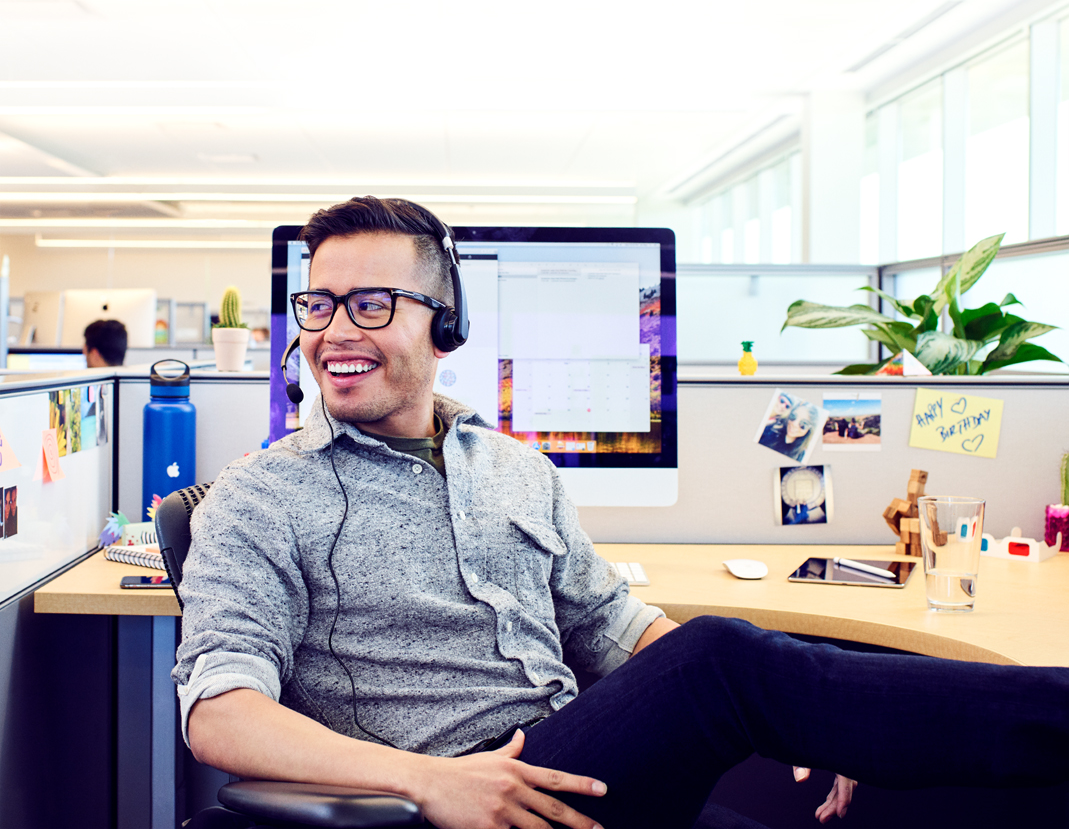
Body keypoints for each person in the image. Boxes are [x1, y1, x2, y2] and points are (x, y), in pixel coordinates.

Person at [175, 197, 1068, 829]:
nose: (335, 330)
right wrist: (432, 782)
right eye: (318, 304)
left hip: (576, 772)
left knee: (726, 660)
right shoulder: (260, 495)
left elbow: (617, 625)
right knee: (721, 652)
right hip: (429, 803)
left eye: (372, 303)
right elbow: (220, 711)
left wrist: (827, 711)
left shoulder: (515, 467)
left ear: (445, 326)